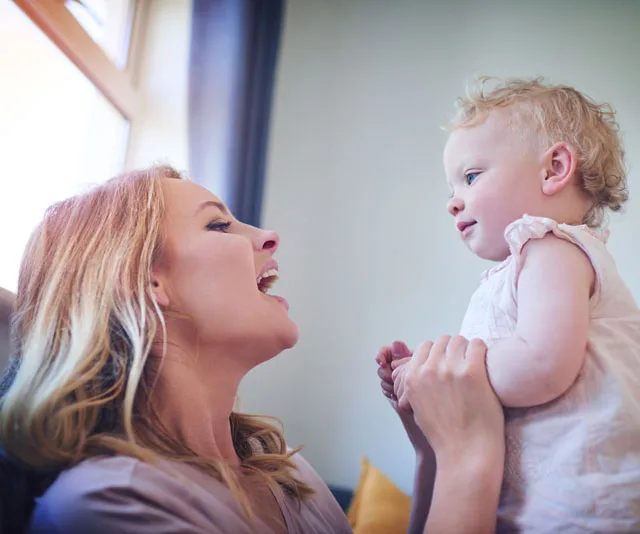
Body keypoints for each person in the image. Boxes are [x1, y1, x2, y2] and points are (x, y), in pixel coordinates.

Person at [0, 165, 505, 533]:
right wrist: (469, 456)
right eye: (218, 224)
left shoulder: (282, 469)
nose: (268, 236)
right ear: (144, 281)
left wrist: (433, 453)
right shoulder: (108, 504)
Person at [391, 78, 640, 532]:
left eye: (470, 176)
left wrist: (448, 373)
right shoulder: (526, 264)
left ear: (554, 169)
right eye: (451, 187)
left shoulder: (552, 249)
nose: (453, 202)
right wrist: (427, 393)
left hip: (581, 506)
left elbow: (542, 363)